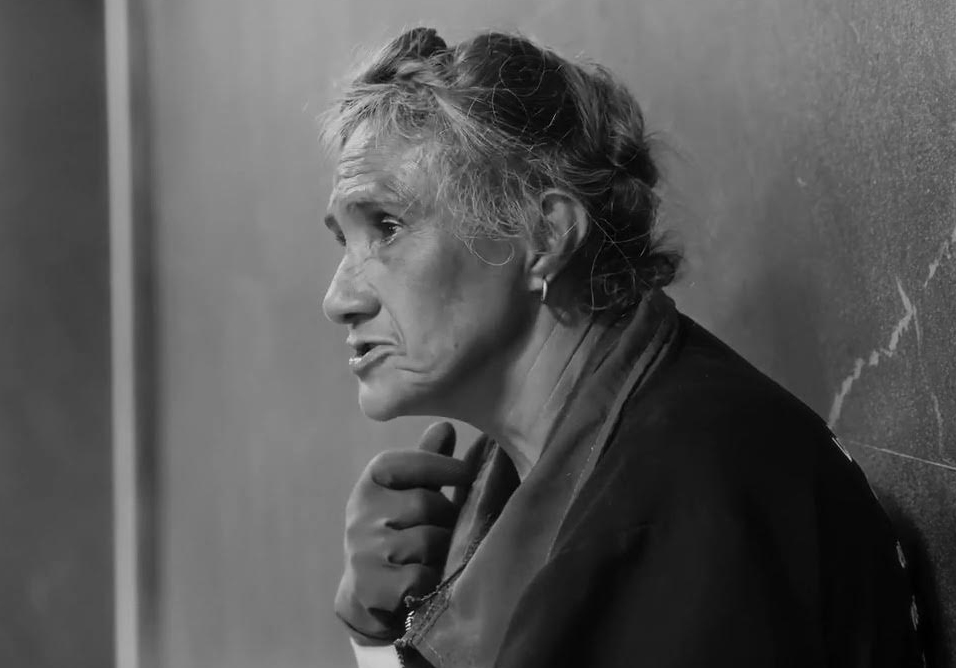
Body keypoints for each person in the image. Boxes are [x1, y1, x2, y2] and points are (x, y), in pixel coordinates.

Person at [320, 27, 923, 668]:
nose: (338, 298)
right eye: (343, 241)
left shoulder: (688, 498)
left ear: (543, 236)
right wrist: (377, 634)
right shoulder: (518, 478)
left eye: (387, 226)